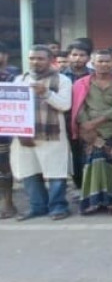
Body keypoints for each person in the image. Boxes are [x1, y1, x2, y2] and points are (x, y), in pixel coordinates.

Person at [11, 45, 73, 221]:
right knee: (29, 172)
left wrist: (45, 93)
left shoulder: (62, 80)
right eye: (32, 58)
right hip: (25, 136)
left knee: (56, 172)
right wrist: (21, 134)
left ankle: (58, 207)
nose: (35, 62)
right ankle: (37, 207)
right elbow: (13, 109)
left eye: (40, 58)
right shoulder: (20, 80)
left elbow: (65, 105)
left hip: (52, 134)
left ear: (50, 60)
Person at [71, 49, 112, 215]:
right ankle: (93, 201)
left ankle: (111, 201)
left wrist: (97, 121)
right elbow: (79, 107)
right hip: (88, 130)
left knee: (110, 164)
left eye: (107, 61)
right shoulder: (81, 84)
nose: (104, 64)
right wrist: (86, 125)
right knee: (93, 163)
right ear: (93, 63)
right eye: (100, 61)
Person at [63, 41, 94, 189]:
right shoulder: (60, 76)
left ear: (88, 58)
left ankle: (92, 185)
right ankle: (79, 185)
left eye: (82, 55)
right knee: (74, 153)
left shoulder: (94, 75)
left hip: (90, 121)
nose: (78, 58)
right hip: (67, 120)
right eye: (74, 55)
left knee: (91, 152)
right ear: (68, 56)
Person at [0, 41, 20, 218]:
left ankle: (8, 203)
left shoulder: (14, 76)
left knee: (4, 166)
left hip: (5, 129)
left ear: (5, 56)